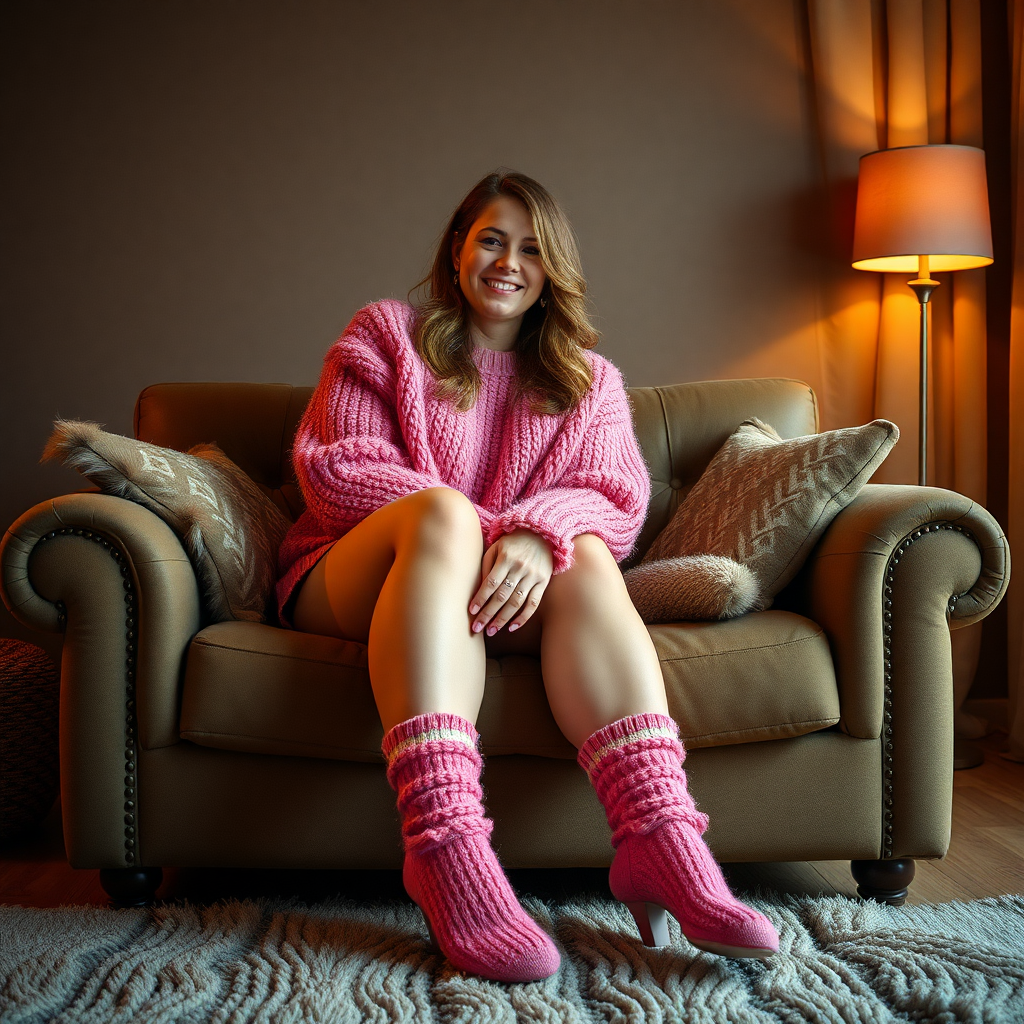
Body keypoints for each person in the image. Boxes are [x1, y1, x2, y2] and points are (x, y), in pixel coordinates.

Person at [275, 170, 779, 983]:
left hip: (502, 596)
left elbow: (613, 501)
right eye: (492, 239)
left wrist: (541, 535)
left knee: (578, 552)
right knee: (439, 513)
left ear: (554, 270)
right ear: (457, 248)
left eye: (533, 249)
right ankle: (443, 847)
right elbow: (339, 470)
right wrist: (490, 533)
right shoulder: (387, 335)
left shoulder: (588, 381)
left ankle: (658, 836)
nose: (510, 262)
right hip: (352, 579)